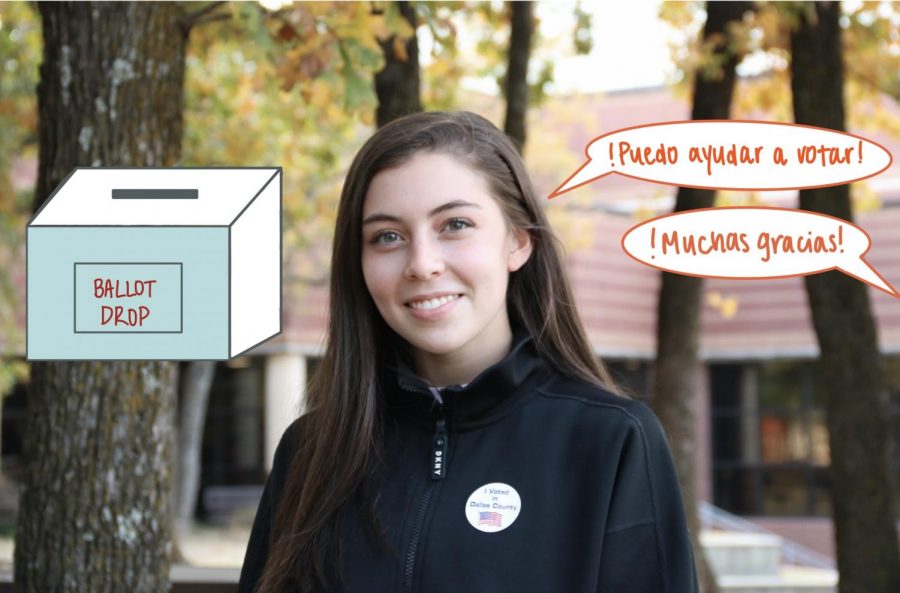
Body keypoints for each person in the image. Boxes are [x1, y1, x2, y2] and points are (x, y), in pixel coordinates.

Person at [239, 111, 698, 593]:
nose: (422, 264)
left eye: (455, 224)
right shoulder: (310, 453)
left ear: (518, 242)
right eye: (387, 237)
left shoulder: (611, 441)